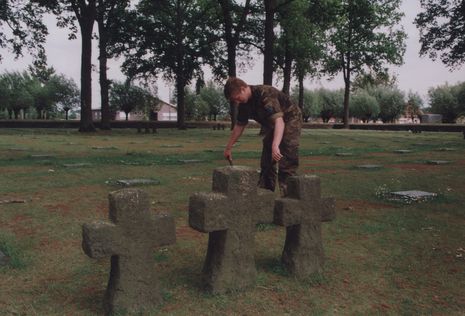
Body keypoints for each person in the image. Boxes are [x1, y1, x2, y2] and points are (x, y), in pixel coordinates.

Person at [223, 77, 302, 196]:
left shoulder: (265, 94)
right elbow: (239, 126)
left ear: (243, 89)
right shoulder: (244, 104)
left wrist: (276, 145)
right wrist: (228, 147)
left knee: (286, 153)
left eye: (237, 98)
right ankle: (265, 194)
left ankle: (289, 197)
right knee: (267, 155)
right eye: (235, 101)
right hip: (276, 123)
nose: (237, 102)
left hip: (290, 118)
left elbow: (279, 121)